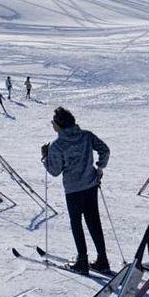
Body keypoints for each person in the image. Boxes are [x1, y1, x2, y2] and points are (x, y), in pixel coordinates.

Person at [42, 106, 110, 275]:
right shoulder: (86, 136)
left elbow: (55, 171)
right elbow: (105, 150)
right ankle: (102, 260)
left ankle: (82, 261)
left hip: (73, 190)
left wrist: (45, 157)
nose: (52, 124)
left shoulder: (57, 145)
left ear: (59, 125)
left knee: (76, 223)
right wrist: (99, 168)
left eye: (53, 122)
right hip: (90, 184)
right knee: (94, 221)